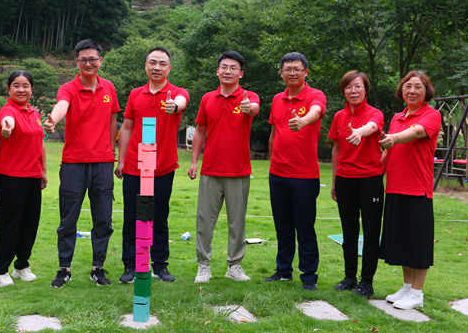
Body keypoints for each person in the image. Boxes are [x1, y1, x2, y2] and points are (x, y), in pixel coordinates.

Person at [43, 39, 120, 287]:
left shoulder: (109, 88)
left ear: (100, 61)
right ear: (77, 62)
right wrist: (53, 121)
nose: (88, 64)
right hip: (74, 163)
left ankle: (98, 268)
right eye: (83, 59)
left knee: (103, 219)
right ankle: (64, 268)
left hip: (102, 163)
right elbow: (62, 106)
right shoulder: (69, 88)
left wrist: (110, 150)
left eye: (93, 59)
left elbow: (112, 120)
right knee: (68, 219)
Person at [115, 46, 189, 283]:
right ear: (146, 66)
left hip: (163, 167)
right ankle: (131, 264)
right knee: (132, 217)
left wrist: (174, 106)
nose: (157, 67)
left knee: (159, 216)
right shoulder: (136, 94)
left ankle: (159, 265)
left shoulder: (177, 93)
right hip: (134, 166)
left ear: (169, 68)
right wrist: (121, 160)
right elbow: (127, 127)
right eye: (153, 62)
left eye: (162, 63)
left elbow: (181, 102)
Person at [187, 51, 259, 283]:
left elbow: (254, 108)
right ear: (217, 71)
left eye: (233, 68)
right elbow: (200, 130)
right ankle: (203, 265)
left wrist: (249, 107)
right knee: (204, 220)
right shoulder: (208, 98)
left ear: (241, 73)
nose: (228, 71)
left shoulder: (248, 96)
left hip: (238, 170)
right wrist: (194, 161)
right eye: (224, 67)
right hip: (210, 169)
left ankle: (234, 266)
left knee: (237, 221)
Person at [379, 71, 441, 310]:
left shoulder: (431, 115)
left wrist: (393, 138)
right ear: (401, 90)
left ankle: (417, 293)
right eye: (408, 86)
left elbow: (415, 133)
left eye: (418, 87)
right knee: (403, 241)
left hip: (417, 189)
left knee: (418, 244)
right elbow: (389, 151)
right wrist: (376, 171)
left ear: (427, 91)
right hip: (395, 187)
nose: (412, 91)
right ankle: (406, 287)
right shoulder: (397, 118)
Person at [265, 52, 326, 290]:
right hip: (278, 173)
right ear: (281, 73)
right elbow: (274, 132)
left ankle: (309, 275)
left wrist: (302, 121)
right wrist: (272, 161)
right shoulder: (277, 99)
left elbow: (316, 112)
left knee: (305, 227)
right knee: (283, 226)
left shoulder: (315, 95)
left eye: (297, 69)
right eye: (287, 69)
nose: (292, 73)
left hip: (305, 176)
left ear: (305, 72)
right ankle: (283, 271)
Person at [328, 71, 384, 299]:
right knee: (349, 231)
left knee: (371, 231)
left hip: (370, 180)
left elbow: (372, 127)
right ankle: (349, 277)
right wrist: (334, 181)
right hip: (345, 180)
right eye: (349, 87)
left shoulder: (375, 114)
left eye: (358, 86)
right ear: (344, 90)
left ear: (365, 89)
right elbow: (336, 149)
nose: (353, 91)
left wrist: (359, 132)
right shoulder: (339, 116)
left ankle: (367, 282)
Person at [0, 70, 47, 287]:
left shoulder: (35, 114)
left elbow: (40, 143)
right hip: (11, 177)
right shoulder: (7, 111)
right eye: (16, 85)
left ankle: (22, 265)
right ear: (9, 89)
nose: (21, 89)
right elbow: (7, 122)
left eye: (25, 85)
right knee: (9, 224)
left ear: (31, 89)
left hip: (33, 175)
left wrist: (43, 171)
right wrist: (7, 127)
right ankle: (1, 270)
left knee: (30, 223)